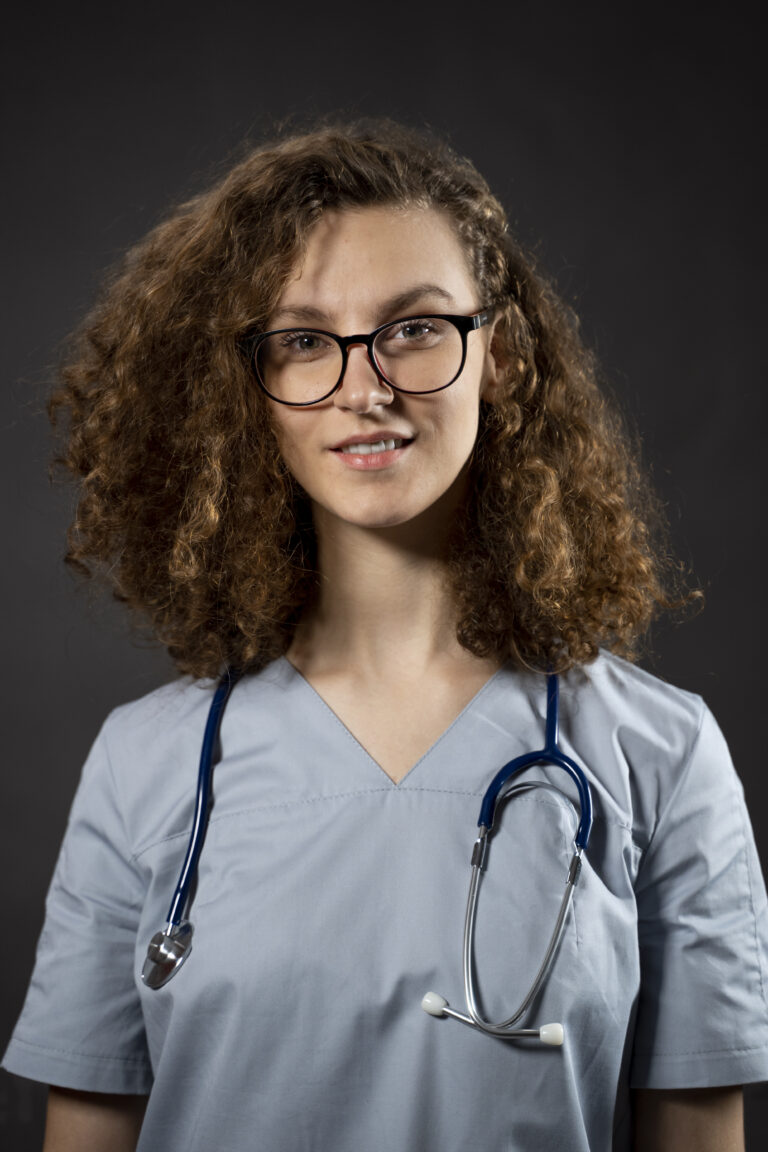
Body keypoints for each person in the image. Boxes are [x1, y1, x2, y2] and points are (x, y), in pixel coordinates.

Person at [3, 118, 767, 1152]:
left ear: (501, 356)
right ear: (251, 391)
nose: (366, 389)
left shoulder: (663, 759)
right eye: (306, 340)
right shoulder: (145, 765)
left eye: (413, 329)